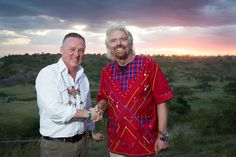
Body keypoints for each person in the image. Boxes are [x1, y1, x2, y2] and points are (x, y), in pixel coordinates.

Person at [95, 25, 174, 157]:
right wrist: (99, 108)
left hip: (145, 141)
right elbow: (105, 99)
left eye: (123, 39)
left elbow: (161, 102)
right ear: (109, 46)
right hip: (117, 144)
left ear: (130, 42)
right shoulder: (106, 72)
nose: (118, 43)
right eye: (113, 40)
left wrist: (163, 136)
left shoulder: (149, 66)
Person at [35, 32, 104, 157]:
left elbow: (87, 106)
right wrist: (88, 114)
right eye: (72, 49)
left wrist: (91, 131)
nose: (77, 54)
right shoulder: (48, 74)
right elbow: (54, 111)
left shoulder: (83, 78)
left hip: (82, 144)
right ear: (61, 50)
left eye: (81, 50)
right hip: (57, 147)